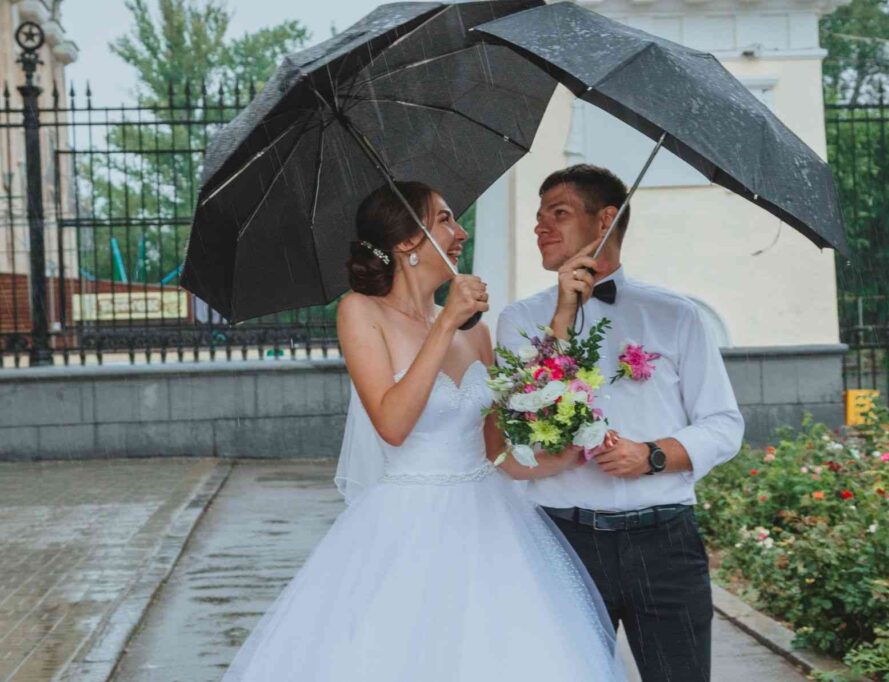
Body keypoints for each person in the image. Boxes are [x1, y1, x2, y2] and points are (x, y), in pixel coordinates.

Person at [222, 181, 625, 681]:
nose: (461, 232)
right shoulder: (360, 312)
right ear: (407, 242)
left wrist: (567, 453)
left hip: (494, 525)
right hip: (407, 527)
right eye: (445, 219)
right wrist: (444, 323)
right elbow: (392, 424)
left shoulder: (476, 331)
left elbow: (499, 449)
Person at [497, 164, 745, 682]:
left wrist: (652, 455)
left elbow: (723, 424)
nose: (539, 226)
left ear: (606, 220)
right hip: (561, 540)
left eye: (557, 213)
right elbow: (517, 433)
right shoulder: (519, 321)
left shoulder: (676, 316)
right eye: (538, 215)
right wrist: (562, 316)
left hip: (665, 542)